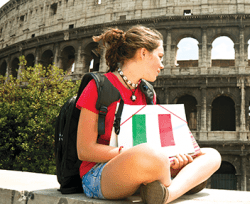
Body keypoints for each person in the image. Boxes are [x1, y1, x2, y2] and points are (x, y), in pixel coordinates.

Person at [76, 26, 221, 204]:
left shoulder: (147, 92)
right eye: (159, 57)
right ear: (143, 53)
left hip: (146, 165)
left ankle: (166, 194)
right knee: (151, 154)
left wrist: (175, 158)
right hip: (100, 173)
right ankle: (180, 185)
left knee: (212, 155)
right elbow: (85, 150)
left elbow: (153, 143)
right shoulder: (98, 87)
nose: (162, 65)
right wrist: (129, 153)